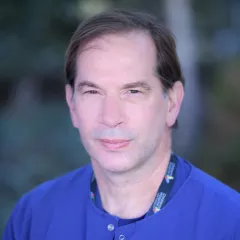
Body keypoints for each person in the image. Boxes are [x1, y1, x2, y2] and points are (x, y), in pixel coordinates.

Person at [3, 9, 240, 240]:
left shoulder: (230, 224)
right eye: (93, 91)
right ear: (72, 104)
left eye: (133, 91)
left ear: (172, 103)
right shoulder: (33, 217)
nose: (110, 116)